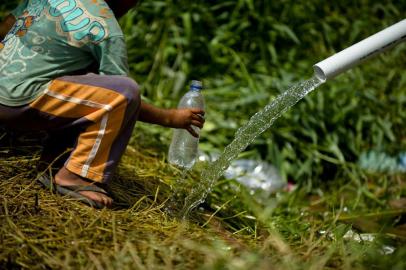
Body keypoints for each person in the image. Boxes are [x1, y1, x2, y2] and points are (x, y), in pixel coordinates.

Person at [0, 0, 205, 208]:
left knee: (83, 72)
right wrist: (169, 117)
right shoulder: (105, 28)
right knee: (126, 90)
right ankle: (75, 175)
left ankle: (55, 161)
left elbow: (7, 25)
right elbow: (120, 99)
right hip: (19, 104)